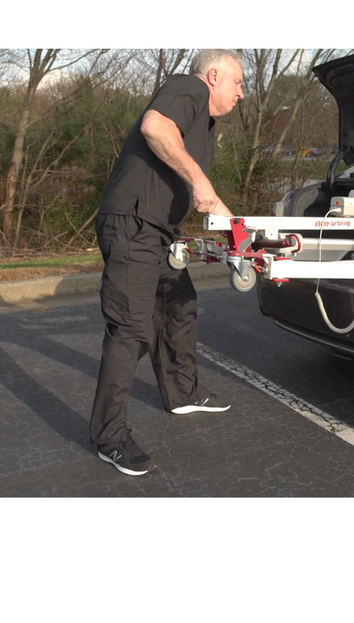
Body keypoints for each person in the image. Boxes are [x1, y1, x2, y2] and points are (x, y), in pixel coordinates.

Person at [89, 49, 244, 476]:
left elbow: (197, 185)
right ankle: (110, 435)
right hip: (132, 224)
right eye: (238, 83)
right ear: (214, 76)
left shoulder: (203, 123)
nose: (242, 93)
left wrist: (236, 229)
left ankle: (182, 391)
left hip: (157, 232)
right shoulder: (188, 87)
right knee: (132, 327)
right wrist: (199, 182)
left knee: (179, 302)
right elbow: (155, 127)